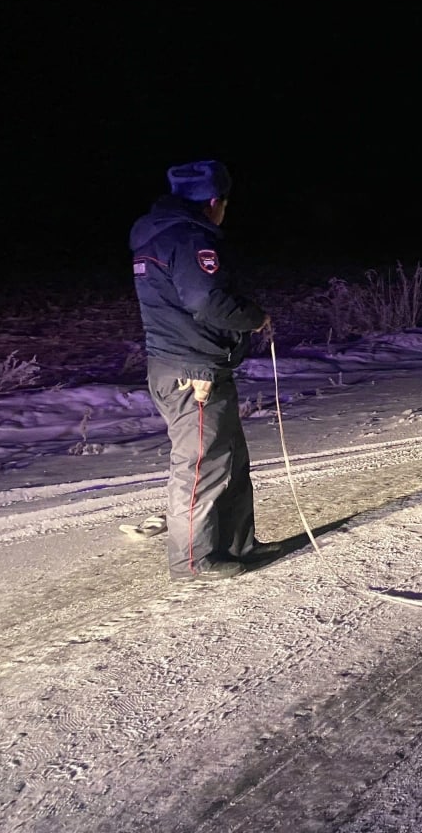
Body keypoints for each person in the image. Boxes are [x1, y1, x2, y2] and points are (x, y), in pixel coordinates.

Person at [130, 160, 277, 581]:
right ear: (215, 202)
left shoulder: (158, 236)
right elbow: (207, 301)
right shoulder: (189, 239)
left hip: (192, 365)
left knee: (229, 459)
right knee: (201, 465)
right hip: (191, 372)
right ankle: (193, 560)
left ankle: (237, 544)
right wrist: (254, 317)